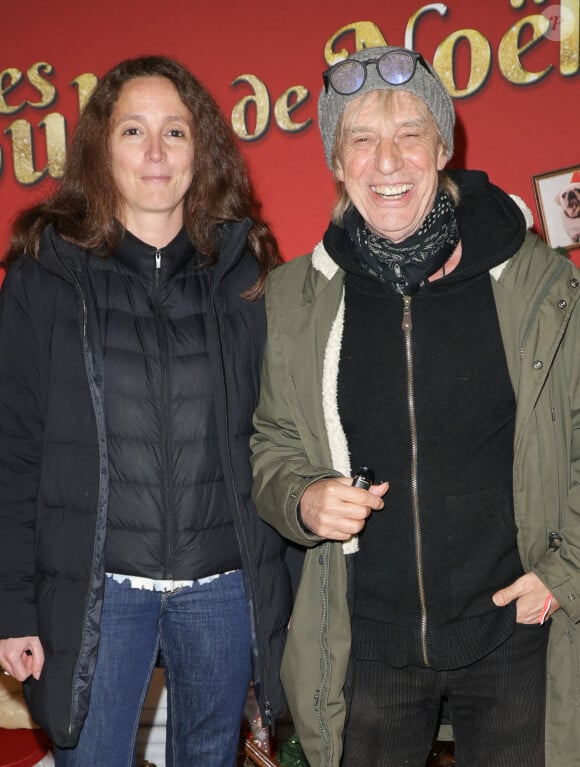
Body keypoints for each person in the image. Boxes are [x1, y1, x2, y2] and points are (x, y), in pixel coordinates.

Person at [251, 45, 580, 766]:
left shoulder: (537, 286)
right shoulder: (297, 299)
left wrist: (566, 570)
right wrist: (304, 497)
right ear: (338, 163)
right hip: (368, 643)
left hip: (512, 632)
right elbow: (271, 444)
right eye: (361, 140)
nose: (388, 161)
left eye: (408, 133)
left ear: (442, 143)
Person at [0, 55, 292, 767]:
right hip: (98, 595)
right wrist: (11, 605)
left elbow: (280, 436)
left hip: (221, 593)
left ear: (204, 152)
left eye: (176, 132)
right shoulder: (46, 271)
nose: (156, 153)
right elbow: (12, 447)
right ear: (102, 148)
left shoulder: (245, 271)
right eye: (134, 131)